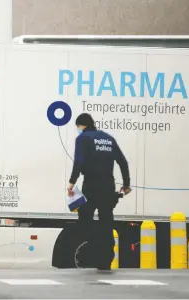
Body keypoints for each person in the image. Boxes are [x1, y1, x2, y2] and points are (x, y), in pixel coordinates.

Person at [67, 113, 131, 271]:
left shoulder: (83, 138)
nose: (78, 130)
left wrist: (72, 181)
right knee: (106, 221)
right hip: (108, 186)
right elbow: (122, 161)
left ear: (81, 125)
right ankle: (106, 259)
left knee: (85, 220)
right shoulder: (108, 138)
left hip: (92, 184)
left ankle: (93, 252)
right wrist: (126, 184)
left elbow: (79, 161)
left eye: (78, 127)